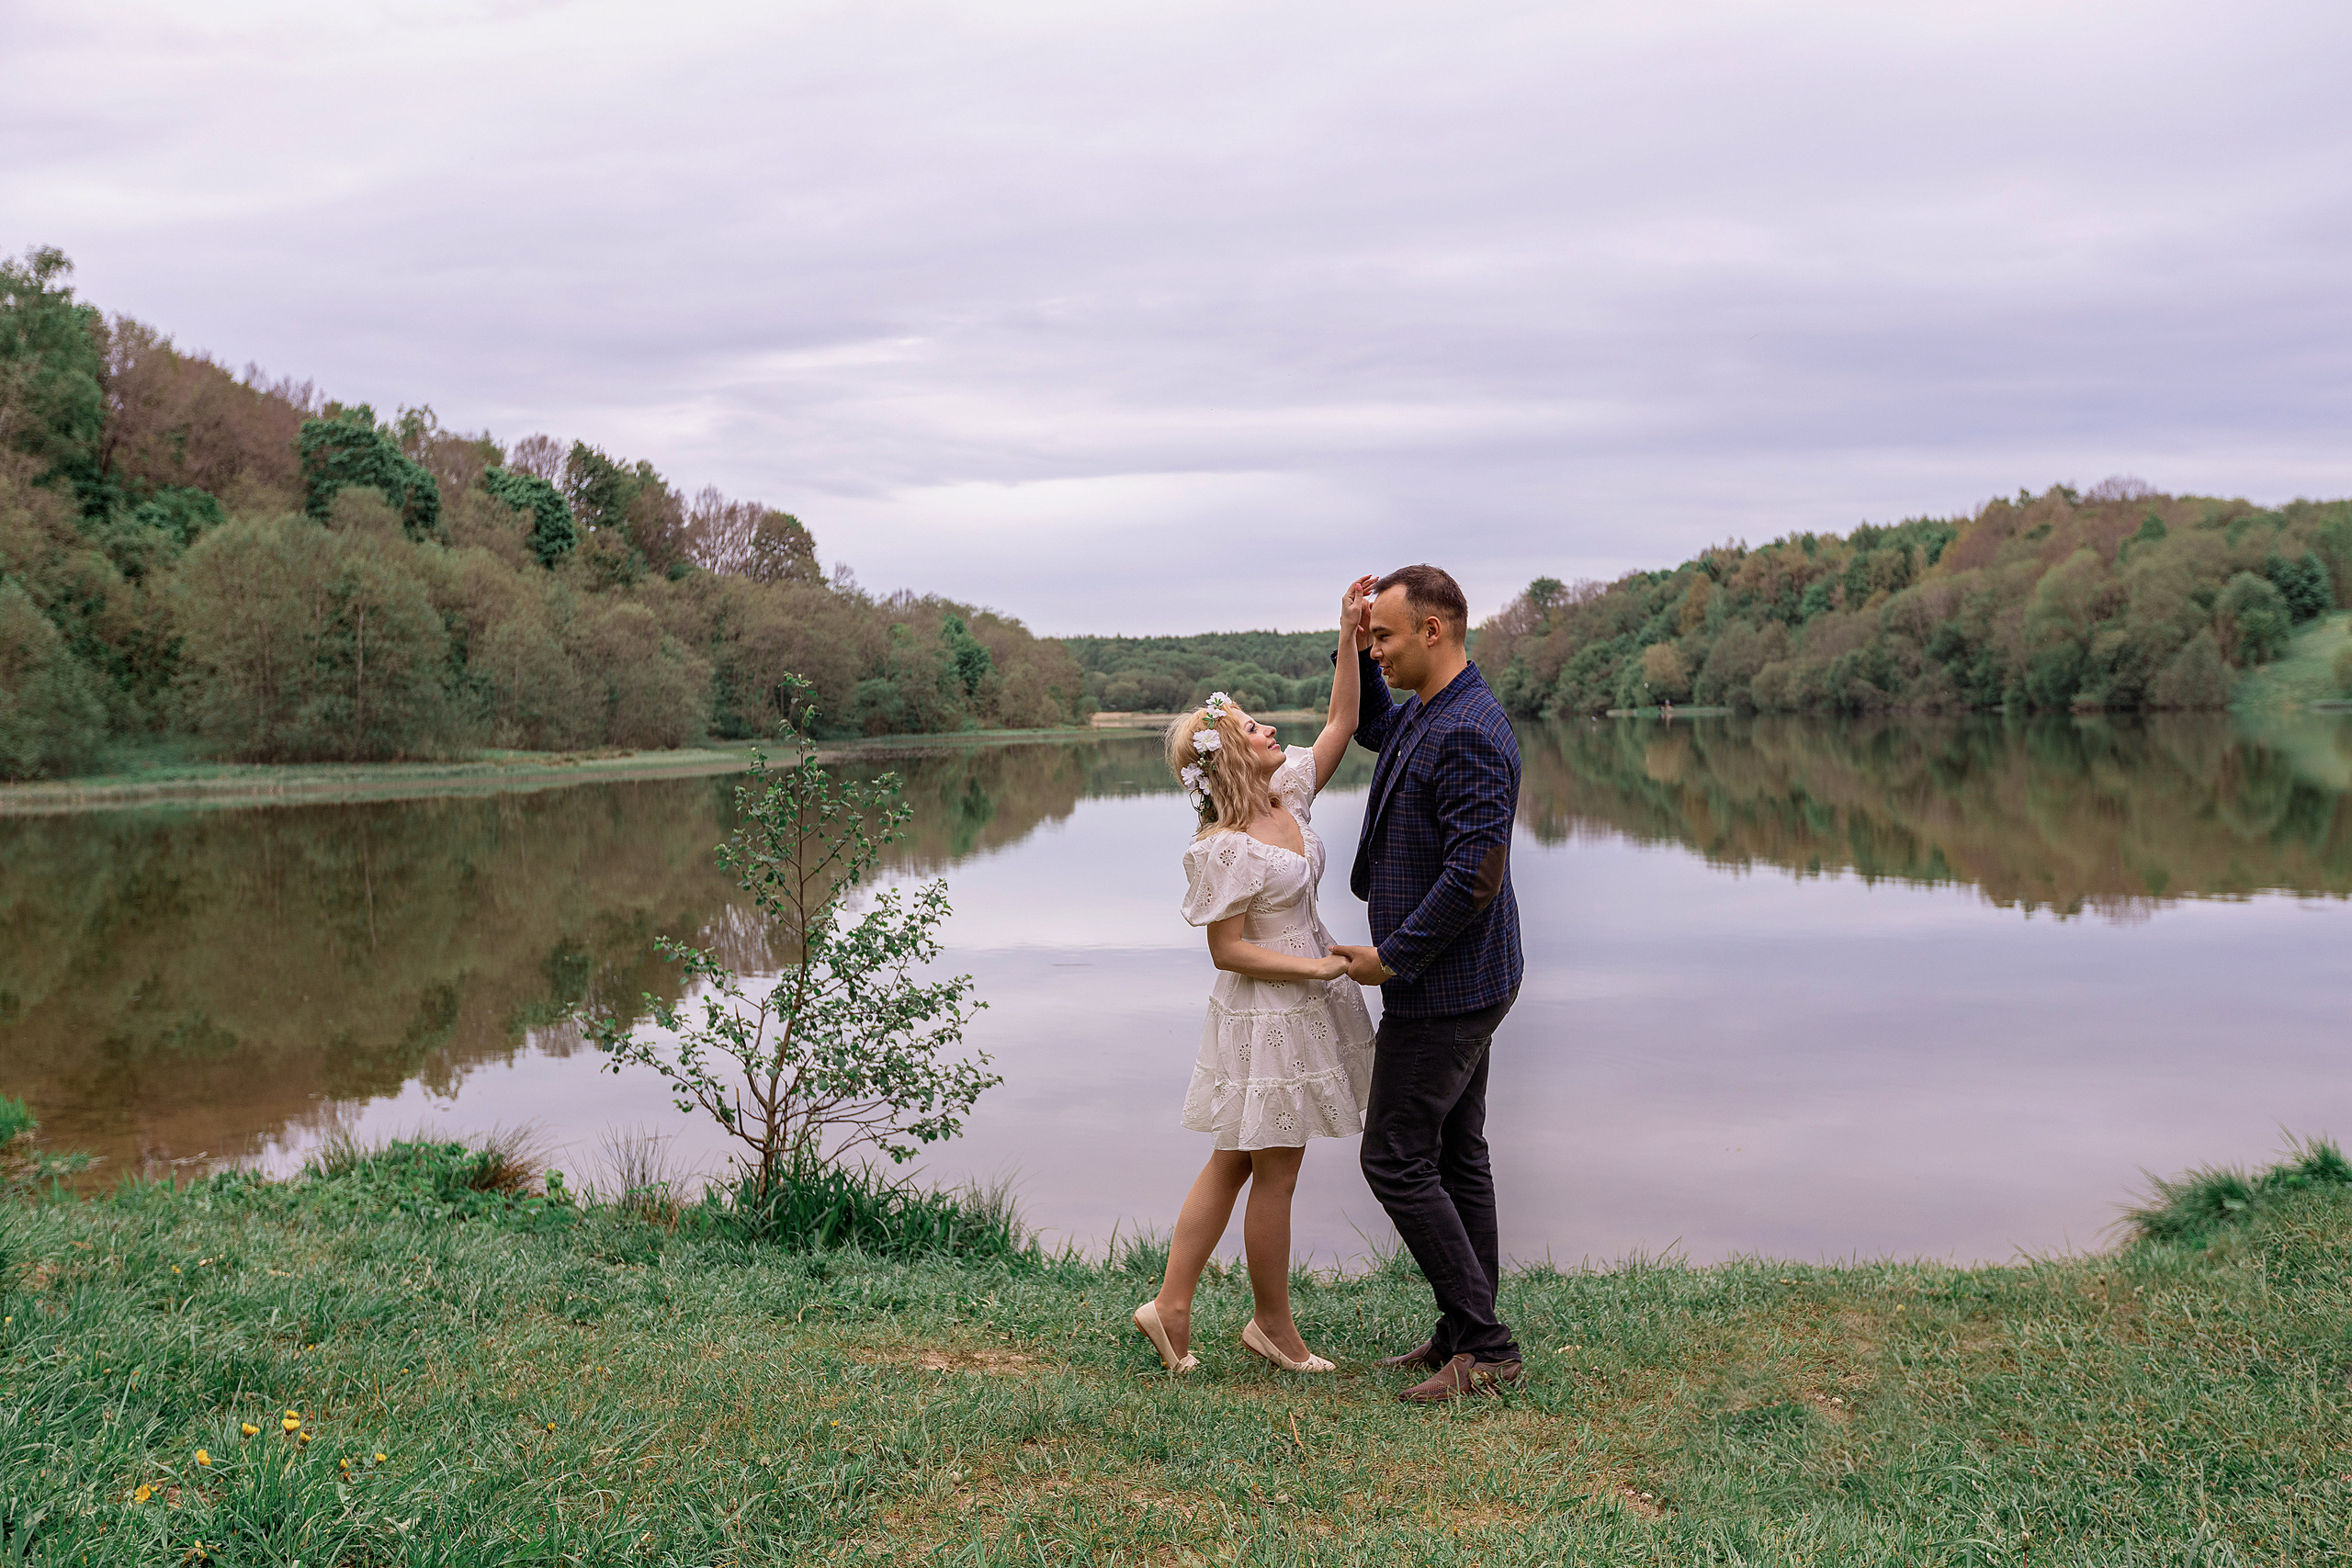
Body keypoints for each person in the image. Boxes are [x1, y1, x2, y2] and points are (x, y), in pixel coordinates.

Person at [1131, 580, 1381, 1376]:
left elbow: (1342, 720)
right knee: (1273, 1169)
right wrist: (1315, 966)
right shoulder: (1227, 844)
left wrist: (1347, 634)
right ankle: (1271, 1326)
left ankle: (1170, 1305)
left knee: (1238, 1158)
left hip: (1302, 1000)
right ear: (1233, 755)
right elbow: (1228, 950)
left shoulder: (1289, 795)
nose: (1270, 728)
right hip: (1267, 1011)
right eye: (1251, 727)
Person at [1328, 564, 1527, 1404]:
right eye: (1371, 639)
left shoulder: (1470, 730)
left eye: (1385, 637)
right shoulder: (1428, 710)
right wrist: (1348, 638)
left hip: (1448, 985)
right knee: (1455, 1151)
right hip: (1461, 977)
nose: (1377, 651)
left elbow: (1474, 876)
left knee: (1395, 1156)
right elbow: (1372, 722)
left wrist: (1393, 957)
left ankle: (1486, 1345)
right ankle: (1462, 1329)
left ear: (1433, 630)